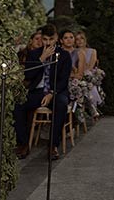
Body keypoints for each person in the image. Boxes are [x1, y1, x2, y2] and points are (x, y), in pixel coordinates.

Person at [14, 23, 72, 160]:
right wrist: (41, 59)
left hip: (56, 92)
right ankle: (23, 144)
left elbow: (63, 80)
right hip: (38, 91)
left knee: (61, 104)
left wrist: (52, 93)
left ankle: (52, 146)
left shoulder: (64, 56)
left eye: (51, 39)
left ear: (56, 38)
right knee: (18, 105)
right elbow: (28, 76)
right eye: (45, 39)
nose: (48, 43)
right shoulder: (34, 54)